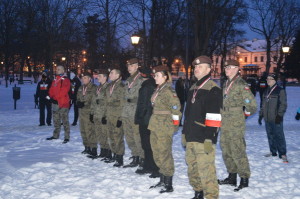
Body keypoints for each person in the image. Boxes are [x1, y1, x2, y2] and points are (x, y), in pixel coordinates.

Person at [182, 56, 222, 199]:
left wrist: (209, 138)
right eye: (195, 67)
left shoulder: (213, 89)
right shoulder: (193, 87)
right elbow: (188, 113)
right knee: (192, 168)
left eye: (200, 66)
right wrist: (184, 133)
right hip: (191, 134)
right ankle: (198, 192)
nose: (196, 69)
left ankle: (211, 196)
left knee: (206, 170)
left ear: (209, 69)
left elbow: (214, 117)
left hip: (203, 137)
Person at [218, 59, 257, 192]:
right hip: (225, 122)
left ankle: (244, 179)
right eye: (225, 67)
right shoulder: (226, 83)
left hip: (235, 122)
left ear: (236, 68)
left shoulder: (241, 84)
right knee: (226, 149)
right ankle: (231, 177)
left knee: (238, 150)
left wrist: (243, 115)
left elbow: (252, 106)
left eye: (229, 67)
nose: (226, 69)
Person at [148, 65, 181, 193]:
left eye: (157, 75)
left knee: (164, 153)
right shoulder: (158, 89)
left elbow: (176, 110)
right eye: (154, 75)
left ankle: (168, 183)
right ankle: (162, 179)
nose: (155, 77)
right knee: (157, 153)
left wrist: (173, 127)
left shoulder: (168, 91)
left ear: (165, 76)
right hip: (155, 124)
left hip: (164, 126)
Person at [134, 67, 159, 177]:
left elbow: (143, 105)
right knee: (147, 144)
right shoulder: (150, 84)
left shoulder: (146, 86)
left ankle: (152, 167)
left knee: (147, 144)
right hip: (148, 118)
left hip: (145, 119)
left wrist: (139, 118)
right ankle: (149, 166)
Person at [258, 73, 288, 163]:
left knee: (279, 136)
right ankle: (273, 151)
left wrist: (279, 115)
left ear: (275, 80)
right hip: (267, 118)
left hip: (276, 118)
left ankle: (282, 153)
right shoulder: (266, 91)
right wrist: (261, 115)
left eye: (270, 79)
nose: (268, 80)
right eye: (267, 79)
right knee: (270, 135)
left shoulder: (280, 90)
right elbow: (263, 105)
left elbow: (283, 104)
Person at [122, 58, 144, 168]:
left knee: (137, 136)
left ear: (136, 66)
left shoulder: (141, 79)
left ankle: (142, 158)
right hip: (126, 111)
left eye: (131, 66)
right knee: (129, 135)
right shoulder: (128, 80)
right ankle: (135, 156)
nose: (128, 68)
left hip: (135, 110)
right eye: (128, 66)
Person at [103, 66, 125, 167]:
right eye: (109, 73)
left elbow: (123, 103)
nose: (109, 75)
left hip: (117, 116)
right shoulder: (109, 87)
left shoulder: (121, 87)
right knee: (110, 136)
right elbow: (106, 102)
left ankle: (119, 158)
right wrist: (104, 115)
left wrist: (120, 118)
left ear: (117, 75)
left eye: (112, 73)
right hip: (109, 115)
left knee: (118, 137)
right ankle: (114, 155)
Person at [46, 65, 71, 144]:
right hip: (55, 103)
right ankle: (55, 135)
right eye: (56, 69)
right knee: (56, 120)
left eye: (59, 69)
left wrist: (56, 98)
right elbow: (51, 90)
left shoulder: (66, 80)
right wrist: (51, 97)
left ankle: (67, 137)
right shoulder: (55, 80)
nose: (57, 70)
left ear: (63, 71)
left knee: (65, 121)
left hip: (63, 103)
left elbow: (64, 90)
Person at [90, 69, 110, 159]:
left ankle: (108, 152)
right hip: (96, 114)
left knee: (105, 133)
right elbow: (93, 101)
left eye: (100, 76)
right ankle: (103, 151)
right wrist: (91, 113)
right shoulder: (98, 87)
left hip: (103, 114)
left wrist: (105, 115)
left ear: (105, 77)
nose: (98, 77)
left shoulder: (108, 87)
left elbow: (108, 102)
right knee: (99, 133)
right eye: (98, 76)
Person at [76, 72, 97, 157]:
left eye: (85, 78)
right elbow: (77, 97)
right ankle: (87, 147)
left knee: (90, 131)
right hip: (81, 113)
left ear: (89, 79)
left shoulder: (94, 88)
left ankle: (93, 148)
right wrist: (78, 102)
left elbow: (94, 100)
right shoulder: (81, 87)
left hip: (89, 112)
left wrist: (84, 103)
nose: (83, 79)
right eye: (82, 78)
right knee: (83, 130)